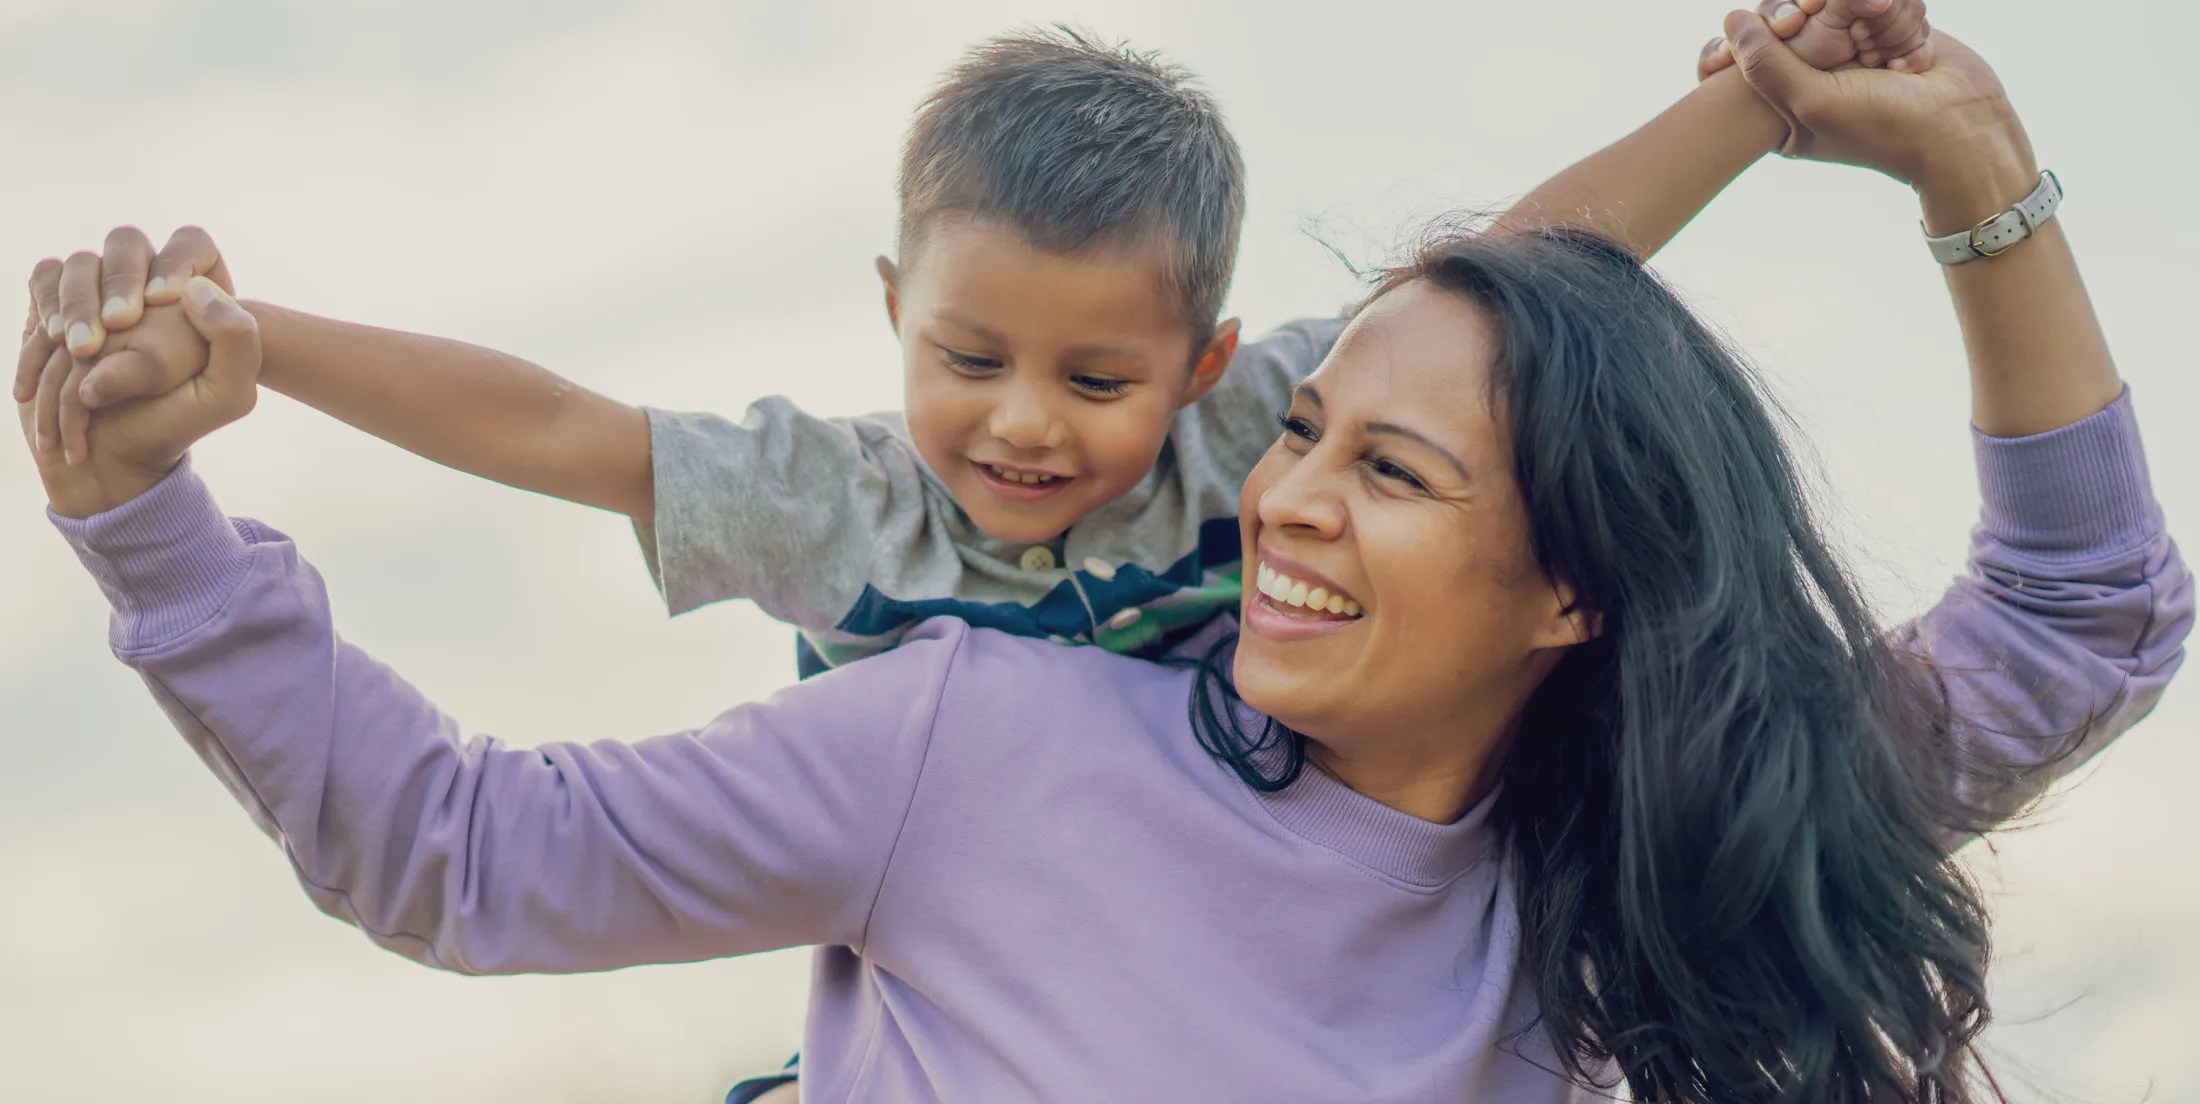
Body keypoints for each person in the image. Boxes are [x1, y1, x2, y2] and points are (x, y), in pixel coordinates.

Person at [19, 12, 2189, 1100]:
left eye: (1387, 468)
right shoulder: (968, 732)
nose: (1285, 495)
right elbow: (459, 849)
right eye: (1306, 438)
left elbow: (2079, 620)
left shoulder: (1634, 837)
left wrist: (1964, 166)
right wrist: (150, 517)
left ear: (1574, 594)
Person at [16, 4, 1931, 684]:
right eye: (968, 358)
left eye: (1098, 382)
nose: (1023, 426)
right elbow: (555, 421)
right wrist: (263, 344)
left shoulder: (1264, 439)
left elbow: (1521, 267)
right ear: (893, 313)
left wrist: (1762, 92)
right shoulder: (832, 499)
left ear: (1205, 367)